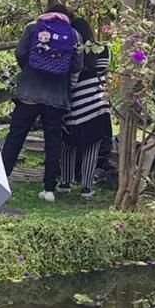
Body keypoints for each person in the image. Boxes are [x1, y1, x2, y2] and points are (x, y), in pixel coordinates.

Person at [0, 4, 83, 202]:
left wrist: (31, 69)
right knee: (53, 141)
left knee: (15, 137)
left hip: (28, 93)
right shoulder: (74, 34)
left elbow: (20, 53)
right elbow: (77, 65)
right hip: (56, 97)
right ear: (68, 17)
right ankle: (49, 189)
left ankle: (1, 181)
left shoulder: (33, 27)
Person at [58, 16, 112, 199]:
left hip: (73, 102)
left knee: (68, 143)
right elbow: (103, 71)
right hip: (97, 102)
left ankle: (65, 182)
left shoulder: (71, 49)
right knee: (92, 145)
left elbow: (68, 74)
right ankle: (86, 187)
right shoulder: (103, 49)